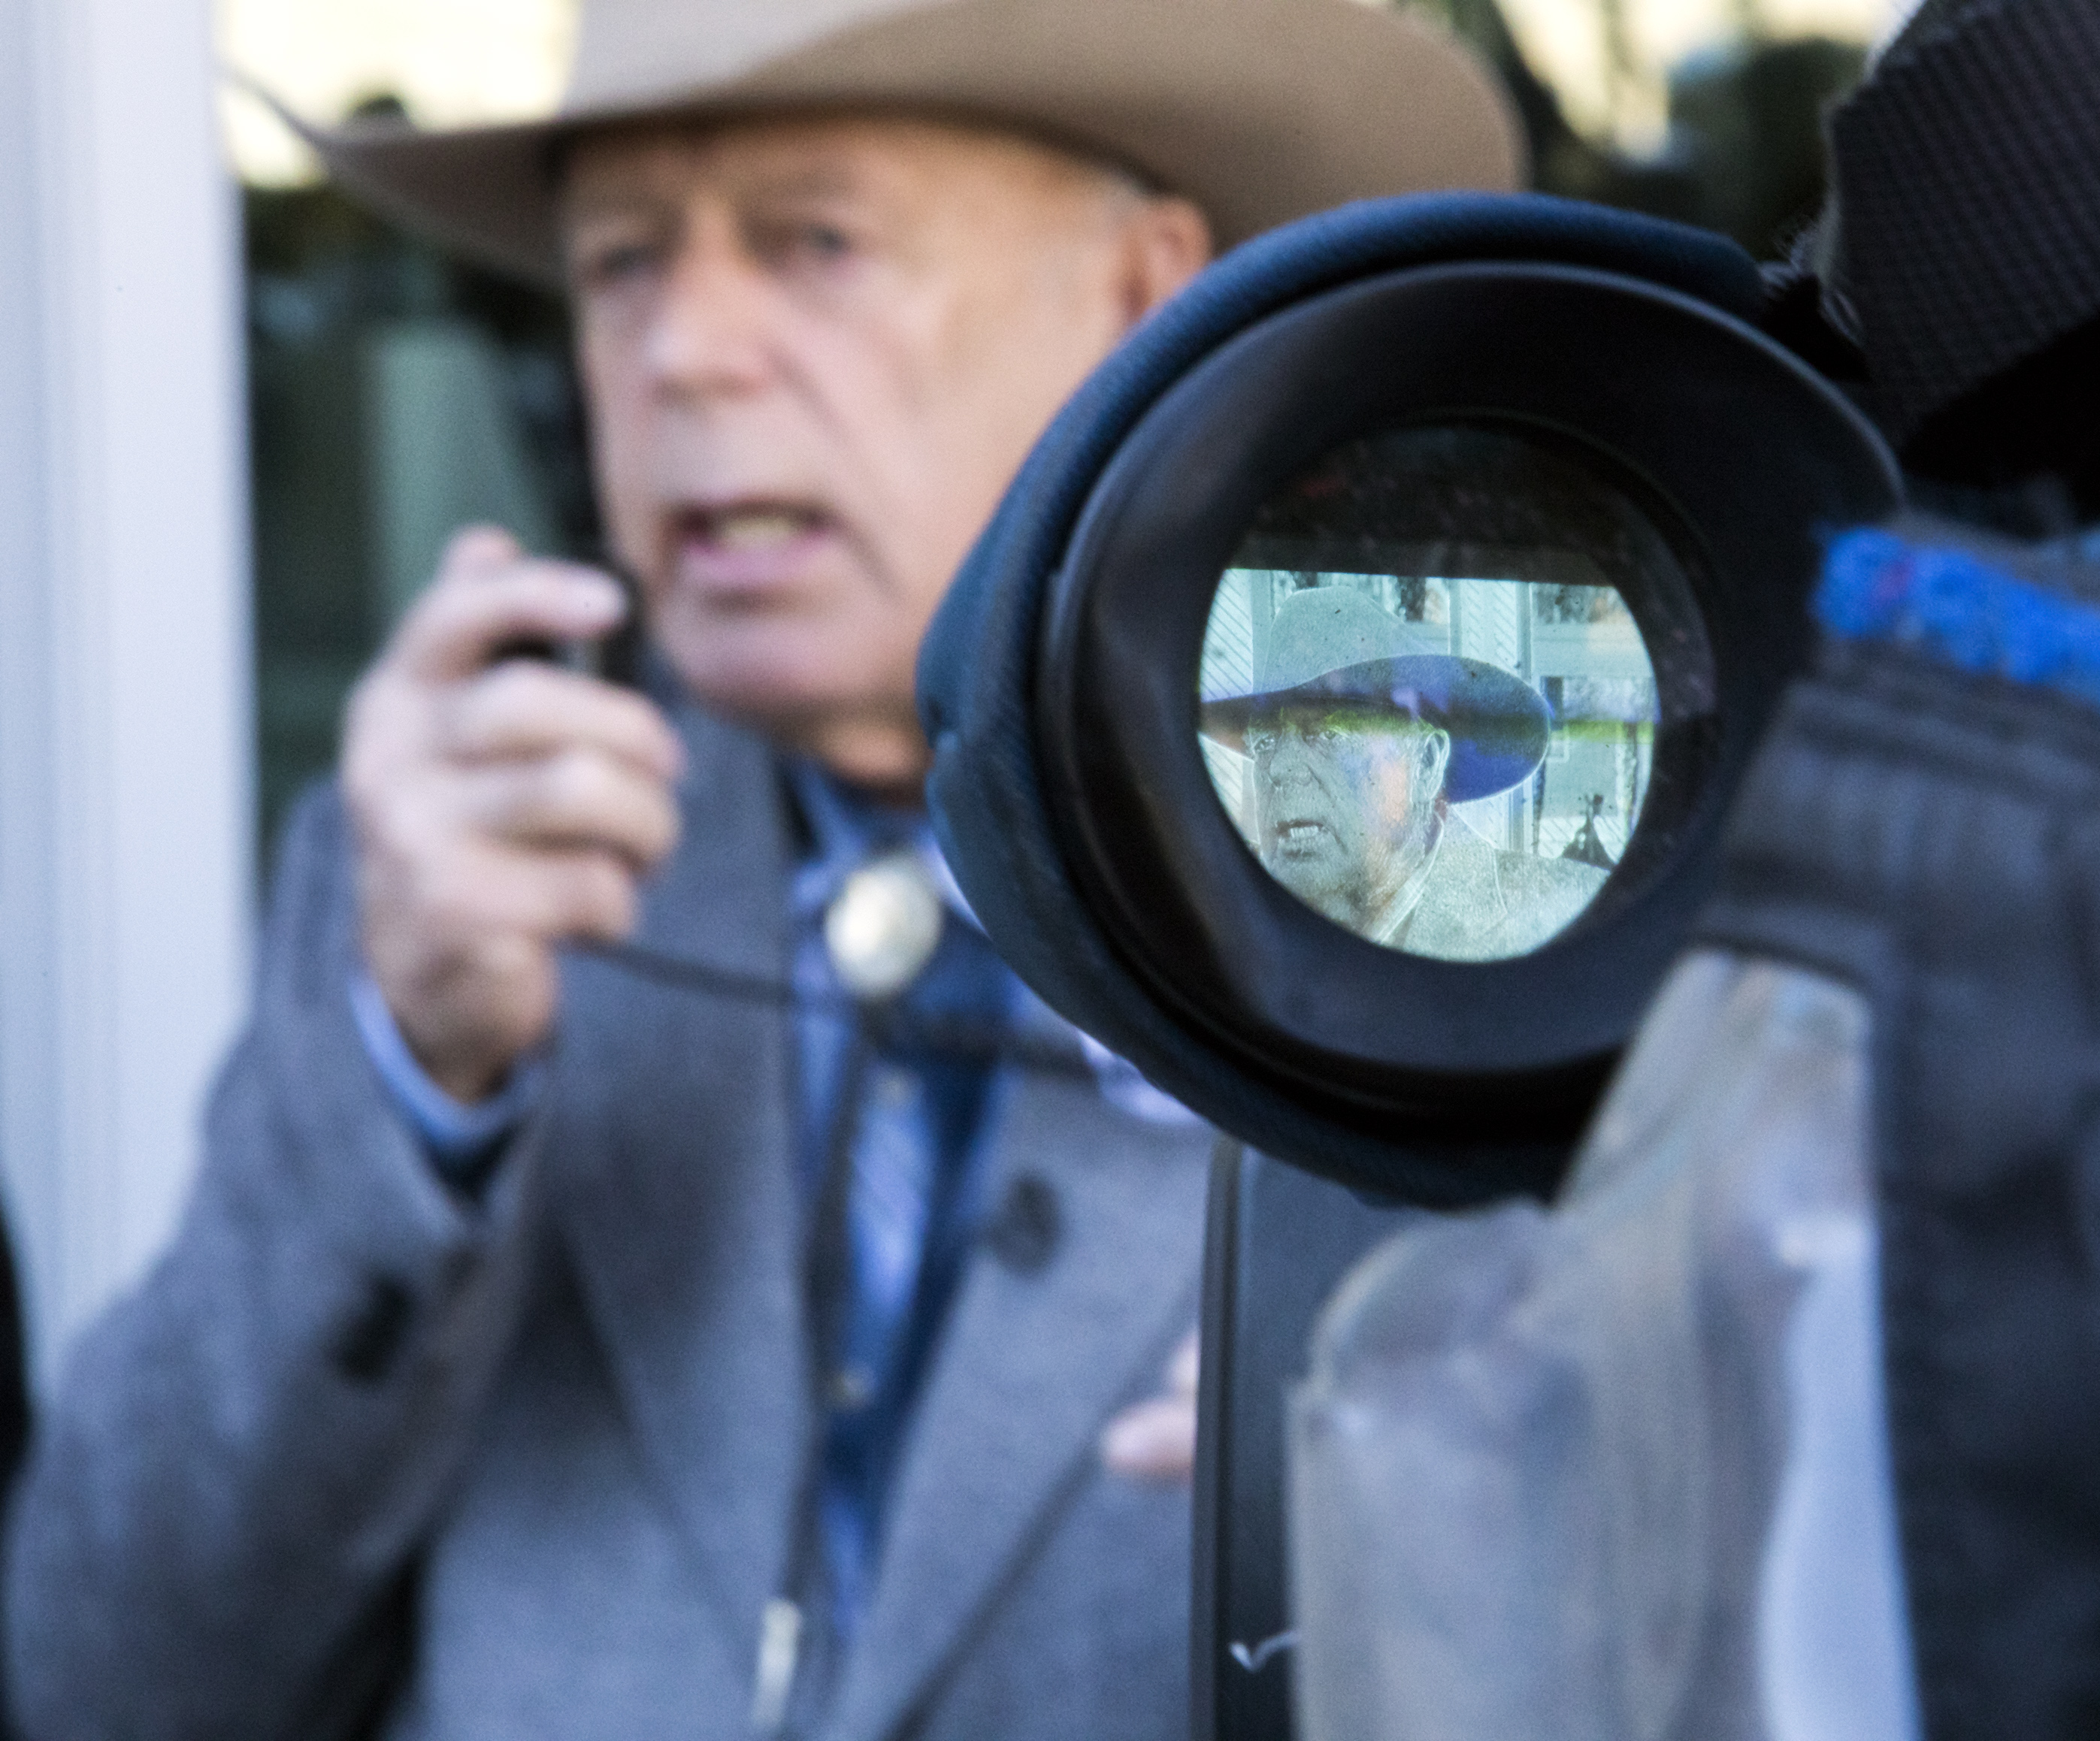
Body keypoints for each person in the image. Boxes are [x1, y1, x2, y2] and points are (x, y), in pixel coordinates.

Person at [2, 0, 1521, 1734]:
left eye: (816, 241)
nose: (685, 355)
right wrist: (403, 1077)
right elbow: (103, 1683)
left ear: (1142, 297)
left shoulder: (1442, 882)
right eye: (622, 263)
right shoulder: (430, 879)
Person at [1203, 586, 1602, 960]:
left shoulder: (1572, 919)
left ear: (1426, 765)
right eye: (1264, 742)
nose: (1278, 767)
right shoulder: (1223, 937)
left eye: (1326, 732)